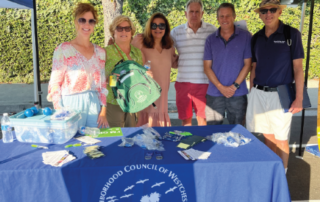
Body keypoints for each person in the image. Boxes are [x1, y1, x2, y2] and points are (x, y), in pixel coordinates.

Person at [247, 0, 304, 173]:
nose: (268, 14)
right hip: (259, 93)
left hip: (282, 94)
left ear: (279, 12)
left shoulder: (291, 34)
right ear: (259, 14)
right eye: (264, 11)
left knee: (280, 138)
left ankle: (282, 174)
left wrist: (299, 98)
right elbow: (254, 68)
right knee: (268, 137)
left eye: (272, 10)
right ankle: (271, 172)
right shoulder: (256, 37)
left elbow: (298, 68)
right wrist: (252, 93)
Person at [47, 3, 108, 128]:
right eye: (82, 20)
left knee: (95, 143)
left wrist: (103, 111)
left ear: (94, 24)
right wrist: (60, 111)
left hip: (94, 104)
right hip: (70, 105)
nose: (87, 24)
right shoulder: (63, 50)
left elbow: (102, 85)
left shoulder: (100, 52)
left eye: (91, 21)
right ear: (76, 22)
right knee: (72, 142)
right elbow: (54, 84)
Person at [171, 0, 217, 126]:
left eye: (197, 12)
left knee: (203, 120)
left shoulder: (212, 30)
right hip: (183, 83)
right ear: (186, 13)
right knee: (186, 121)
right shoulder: (175, 32)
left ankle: (203, 145)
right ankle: (187, 144)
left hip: (205, 83)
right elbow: (166, 53)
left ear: (202, 13)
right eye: (191, 11)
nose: (194, 14)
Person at [203, 3, 251, 125]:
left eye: (228, 16)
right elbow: (207, 67)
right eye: (221, 16)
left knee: (237, 132)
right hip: (214, 93)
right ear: (217, 18)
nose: (224, 19)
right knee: (213, 133)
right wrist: (221, 87)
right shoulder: (210, 39)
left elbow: (248, 64)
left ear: (234, 16)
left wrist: (234, 87)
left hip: (238, 93)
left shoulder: (246, 36)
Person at [132, 13, 178, 127]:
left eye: (162, 26)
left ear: (166, 28)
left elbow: (175, 63)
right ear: (149, 27)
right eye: (154, 26)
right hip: (146, 93)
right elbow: (128, 58)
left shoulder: (169, 47)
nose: (158, 29)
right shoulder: (140, 41)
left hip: (162, 95)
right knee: (145, 129)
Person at [105, 15, 145, 128]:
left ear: (131, 32)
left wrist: (146, 75)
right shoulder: (105, 52)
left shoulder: (138, 53)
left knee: (131, 135)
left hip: (133, 101)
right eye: (119, 28)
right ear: (113, 31)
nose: (124, 31)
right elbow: (98, 78)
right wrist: (112, 80)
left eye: (127, 28)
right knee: (116, 137)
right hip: (113, 102)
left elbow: (139, 77)